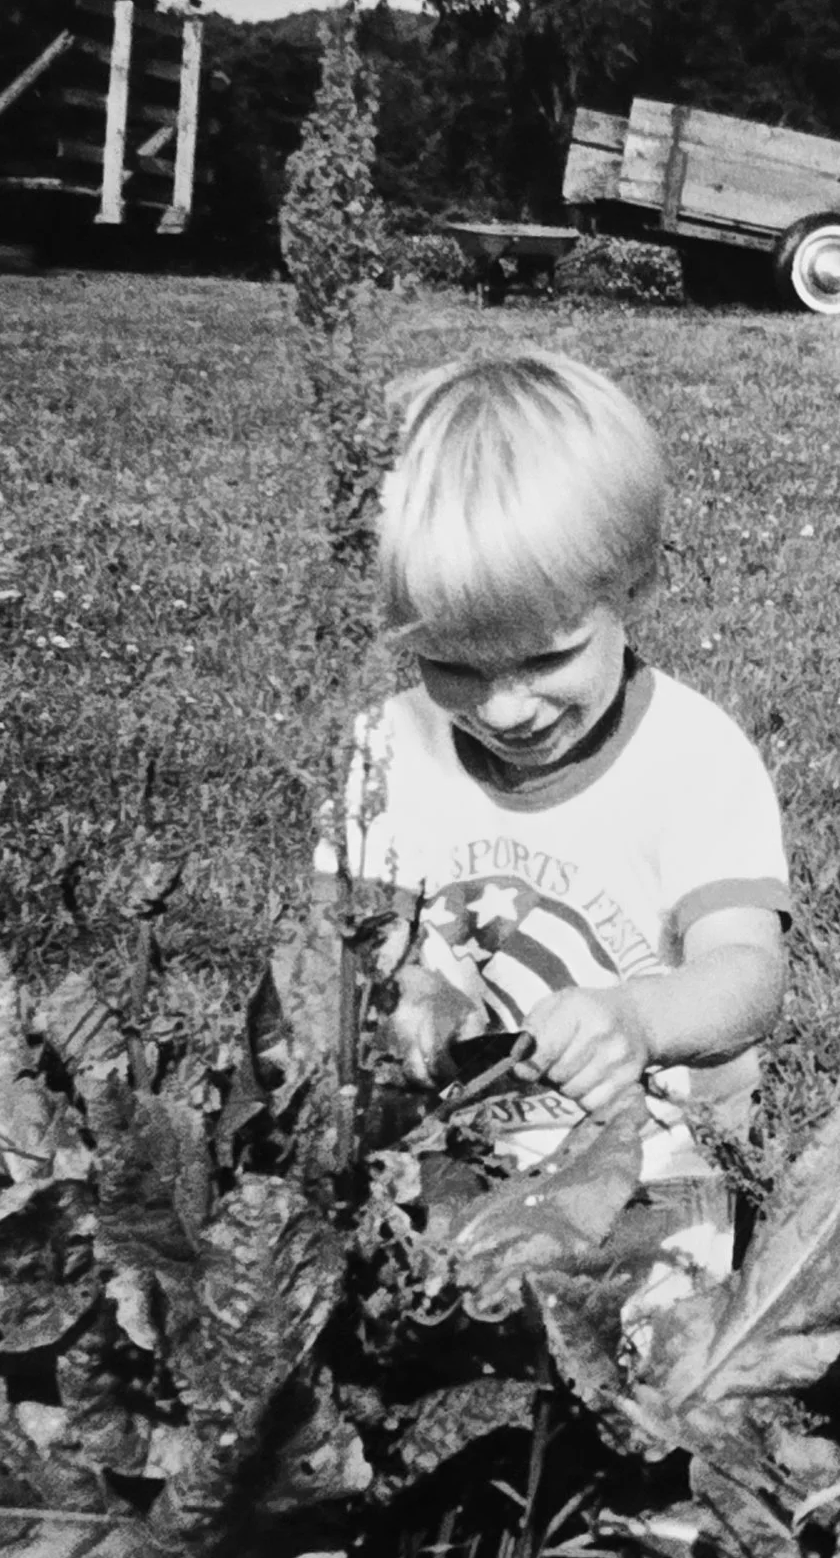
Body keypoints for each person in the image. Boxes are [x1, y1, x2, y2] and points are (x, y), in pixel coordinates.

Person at [317, 351, 790, 1316]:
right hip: (452, 1154)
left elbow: (749, 976)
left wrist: (641, 1018)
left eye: (547, 655)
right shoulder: (388, 750)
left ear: (633, 584)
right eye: (449, 664)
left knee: (642, 1378)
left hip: (658, 1163)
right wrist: (411, 1000)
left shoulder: (694, 757)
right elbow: (338, 954)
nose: (505, 706)